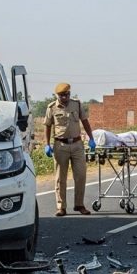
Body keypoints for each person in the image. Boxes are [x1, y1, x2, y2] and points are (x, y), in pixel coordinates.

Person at [44, 83, 96, 216]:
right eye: (62, 95)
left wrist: (91, 138)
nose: (65, 97)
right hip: (60, 145)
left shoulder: (76, 104)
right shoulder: (52, 108)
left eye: (67, 94)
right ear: (57, 96)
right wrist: (47, 144)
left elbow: (85, 121)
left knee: (81, 175)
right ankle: (61, 206)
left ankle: (79, 204)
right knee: (60, 178)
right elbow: (48, 126)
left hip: (77, 144)